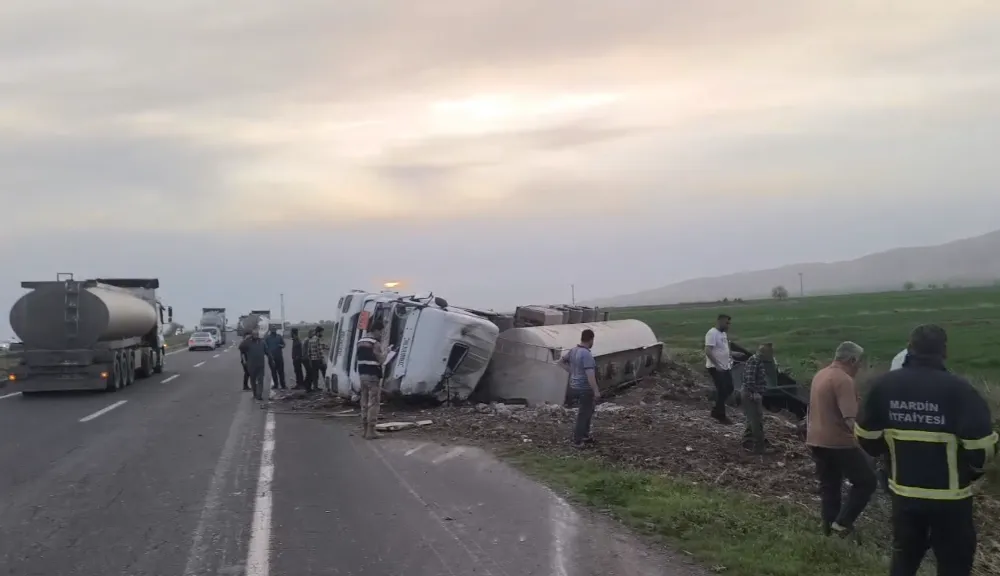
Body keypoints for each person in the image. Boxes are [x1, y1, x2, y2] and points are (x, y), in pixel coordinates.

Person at [856, 325, 998, 576]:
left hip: (904, 493)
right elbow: (983, 448)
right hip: (951, 498)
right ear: (944, 351)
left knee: (905, 556)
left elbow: (866, 437)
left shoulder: (883, 387)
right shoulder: (960, 390)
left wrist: (890, 455)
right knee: (954, 561)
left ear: (909, 348)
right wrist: (969, 471)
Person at [806, 341, 877, 540]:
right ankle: (843, 522)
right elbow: (850, 420)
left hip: (816, 440)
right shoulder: (843, 380)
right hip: (839, 442)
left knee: (830, 485)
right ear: (852, 360)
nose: (859, 367)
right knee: (867, 482)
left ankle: (829, 529)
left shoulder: (821, 375)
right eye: (859, 362)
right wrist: (867, 444)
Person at [559, 329, 600, 448]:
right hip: (584, 388)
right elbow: (590, 375)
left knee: (588, 410)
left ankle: (585, 435)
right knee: (584, 413)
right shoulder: (586, 354)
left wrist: (572, 372)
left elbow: (560, 362)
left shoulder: (573, 350)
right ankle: (578, 440)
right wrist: (596, 391)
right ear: (591, 339)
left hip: (573, 387)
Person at [740, 343, 774, 454]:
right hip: (751, 394)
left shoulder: (758, 361)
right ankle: (759, 448)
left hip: (751, 393)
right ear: (764, 352)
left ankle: (746, 441)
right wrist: (755, 393)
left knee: (752, 419)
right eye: (770, 352)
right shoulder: (754, 361)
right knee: (756, 422)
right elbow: (749, 380)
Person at [357, 320, 387, 439]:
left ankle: (364, 430)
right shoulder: (375, 343)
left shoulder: (360, 342)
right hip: (373, 376)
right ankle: (371, 431)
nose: (381, 335)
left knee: (363, 403)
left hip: (362, 375)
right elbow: (381, 360)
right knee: (373, 403)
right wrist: (387, 352)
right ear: (376, 330)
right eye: (381, 332)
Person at [705, 314, 735, 424]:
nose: (728, 325)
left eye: (729, 323)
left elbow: (724, 348)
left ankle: (716, 410)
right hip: (715, 367)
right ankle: (721, 415)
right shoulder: (712, 333)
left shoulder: (723, 334)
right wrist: (717, 365)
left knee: (730, 388)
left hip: (725, 366)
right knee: (722, 389)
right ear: (719, 321)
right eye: (726, 323)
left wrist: (732, 355)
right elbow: (708, 350)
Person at [239, 330, 269, 401]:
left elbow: (267, 352)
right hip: (251, 365)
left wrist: (271, 359)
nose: (256, 336)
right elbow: (240, 347)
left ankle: (259, 395)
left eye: (257, 334)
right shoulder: (248, 343)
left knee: (260, 380)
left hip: (260, 365)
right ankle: (255, 394)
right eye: (254, 335)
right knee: (253, 380)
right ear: (252, 335)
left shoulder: (262, 342)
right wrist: (246, 339)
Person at [306, 326, 327, 392]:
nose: (322, 334)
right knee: (325, 372)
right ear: (318, 332)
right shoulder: (317, 339)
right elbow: (319, 351)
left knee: (315, 374)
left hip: (313, 360)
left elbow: (308, 351)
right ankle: (328, 386)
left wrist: (310, 359)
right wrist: (322, 360)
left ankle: (315, 387)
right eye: (321, 332)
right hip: (318, 359)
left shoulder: (310, 339)